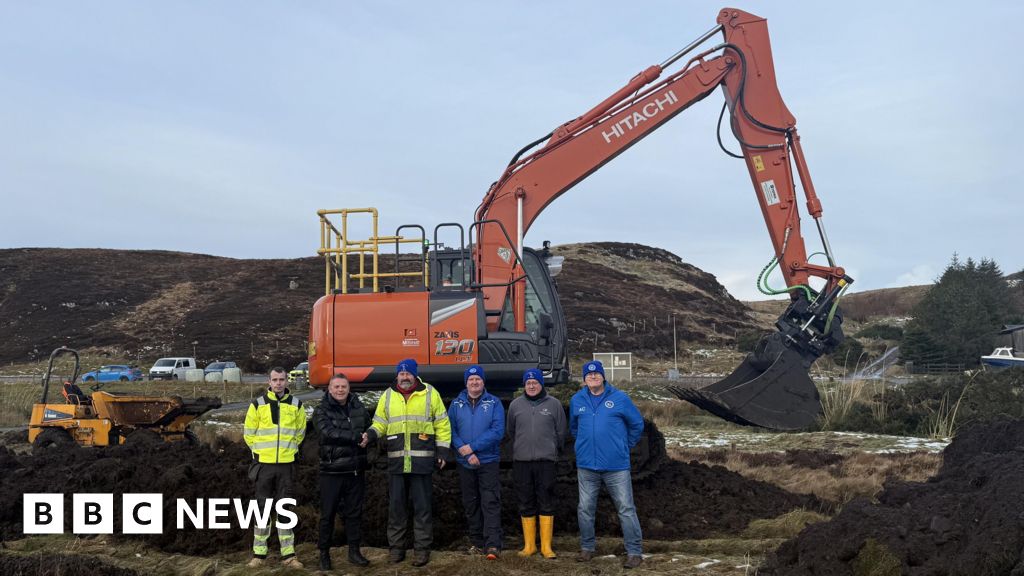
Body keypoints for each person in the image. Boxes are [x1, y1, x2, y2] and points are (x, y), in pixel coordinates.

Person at [366, 358, 451, 567]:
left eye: (408, 373)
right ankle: (396, 549)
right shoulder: (388, 395)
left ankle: (421, 550)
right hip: (396, 462)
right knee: (397, 508)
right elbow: (380, 422)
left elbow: (442, 423)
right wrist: (370, 434)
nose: (405, 377)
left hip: (421, 462)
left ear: (414, 375)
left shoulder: (430, 393)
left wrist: (442, 451)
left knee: (422, 508)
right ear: (397, 375)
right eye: (401, 374)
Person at [569, 360, 645, 569]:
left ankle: (634, 552)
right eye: (588, 374)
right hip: (586, 466)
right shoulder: (577, 400)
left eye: (596, 374)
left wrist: (624, 445)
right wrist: (582, 445)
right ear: (584, 379)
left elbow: (637, 424)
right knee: (585, 508)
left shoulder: (619, 398)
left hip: (616, 466)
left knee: (626, 508)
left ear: (603, 376)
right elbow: (574, 428)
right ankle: (587, 548)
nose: (592, 377)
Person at [243, 366, 307, 569]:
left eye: (282, 379)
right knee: (262, 510)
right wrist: (260, 454)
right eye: (275, 379)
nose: (278, 383)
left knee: (285, 510)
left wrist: (290, 451)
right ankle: (259, 555)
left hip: (286, 466)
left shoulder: (297, 405)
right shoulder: (257, 404)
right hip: (264, 466)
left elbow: (300, 433)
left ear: (287, 381)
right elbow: (248, 433)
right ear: (269, 382)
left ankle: (288, 554)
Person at [507, 367, 567, 559]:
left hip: (546, 462)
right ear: (524, 385)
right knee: (526, 501)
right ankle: (530, 545)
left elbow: (561, 432)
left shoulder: (555, 404)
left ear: (541, 384)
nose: (531, 386)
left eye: (535, 382)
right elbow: (512, 431)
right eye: (528, 383)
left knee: (546, 501)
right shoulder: (515, 405)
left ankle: (546, 547)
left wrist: (550, 448)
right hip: (522, 462)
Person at [313, 373, 371, 569]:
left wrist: (368, 437)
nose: (340, 390)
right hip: (332, 471)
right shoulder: (321, 409)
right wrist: (355, 437)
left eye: (343, 387)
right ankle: (324, 554)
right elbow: (327, 433)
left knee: (354, 514)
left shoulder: (358, 407)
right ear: (330, 389)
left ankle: (354, 552)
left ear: (348, 388)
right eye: (336, 387)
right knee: (327, 515)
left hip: (355, 470)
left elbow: (368, 425)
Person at [448, 365, 505, 559]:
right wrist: (465, 454)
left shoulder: (494, 403)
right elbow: (451, 431)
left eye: (478, 379)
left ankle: (492, 545)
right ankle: (477, 542)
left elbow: (497, 431)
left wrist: (472, 448)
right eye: (471, 380)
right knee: (470, 503)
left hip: (487, 461)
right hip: (465, 463)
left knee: (490, 502)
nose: (474, 382)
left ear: (483, 382)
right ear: (466, 383)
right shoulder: (456, 404)